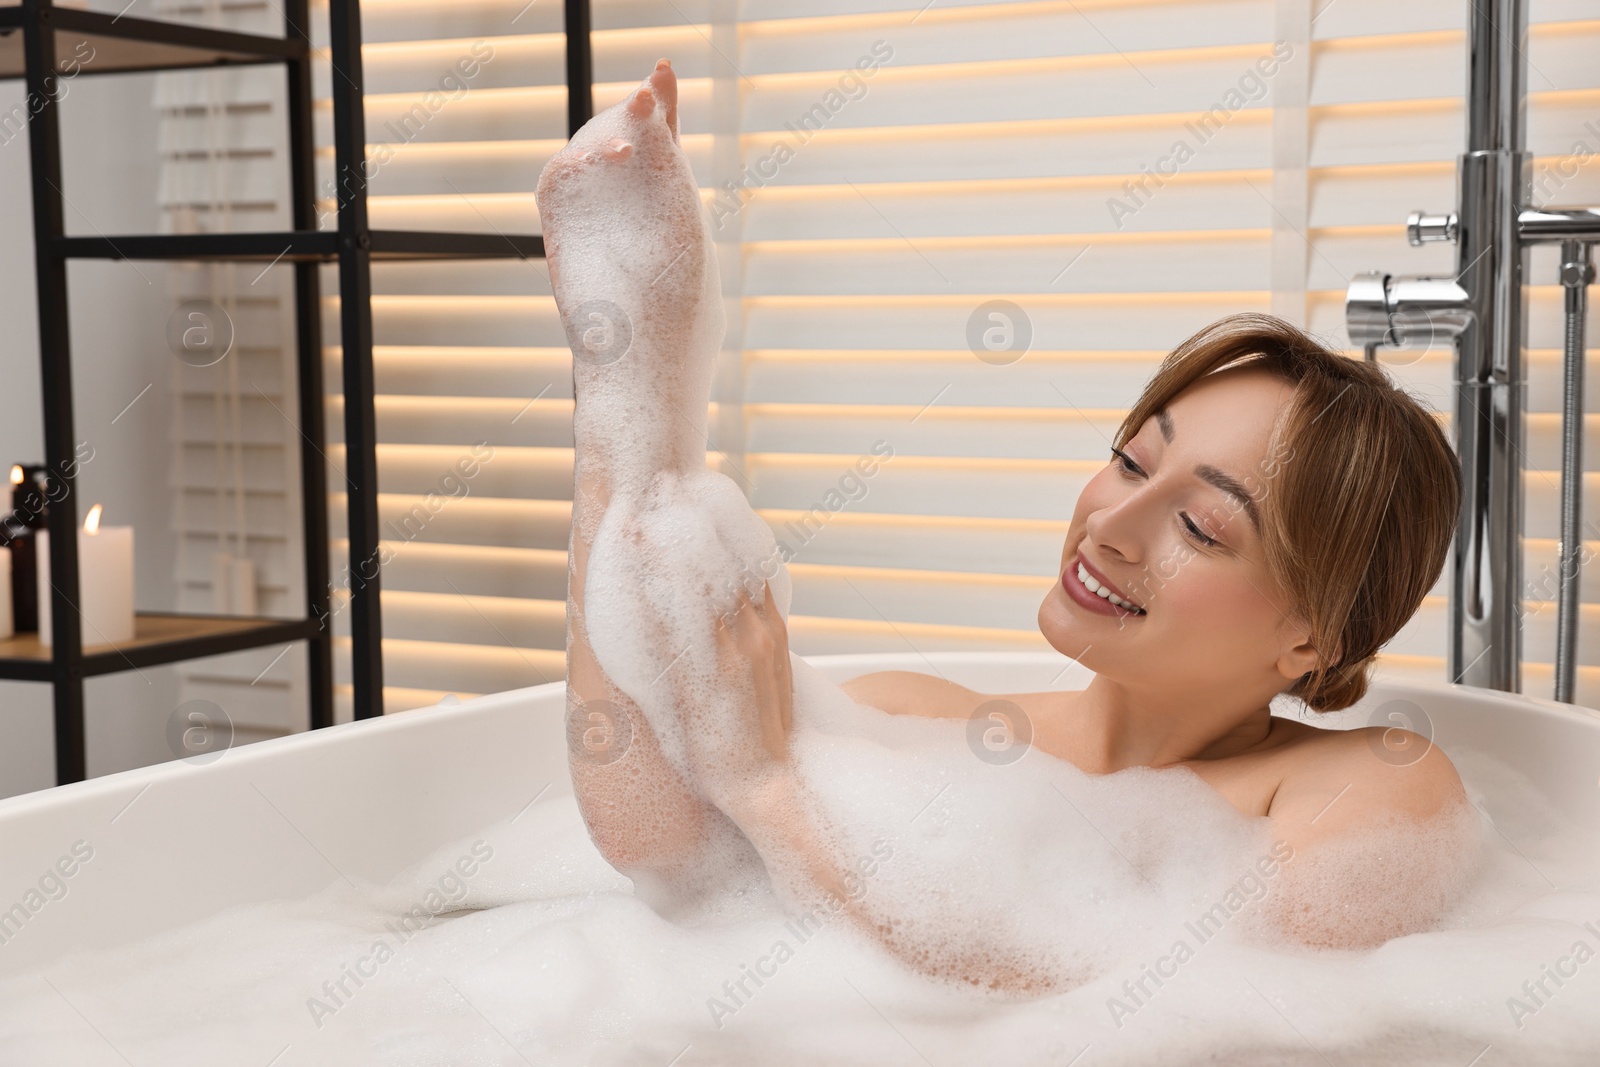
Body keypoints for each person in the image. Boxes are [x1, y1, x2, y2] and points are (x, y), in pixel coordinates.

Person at [538, 59, 1482, 990]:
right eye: (1130, 461)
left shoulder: (1373, 785)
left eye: (1198, 524)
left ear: (1316, 631)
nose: (1110, 523)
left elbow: (1210, 1021)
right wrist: (630, 405)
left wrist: (768, 793)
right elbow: (664, 855)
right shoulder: (902, 720)